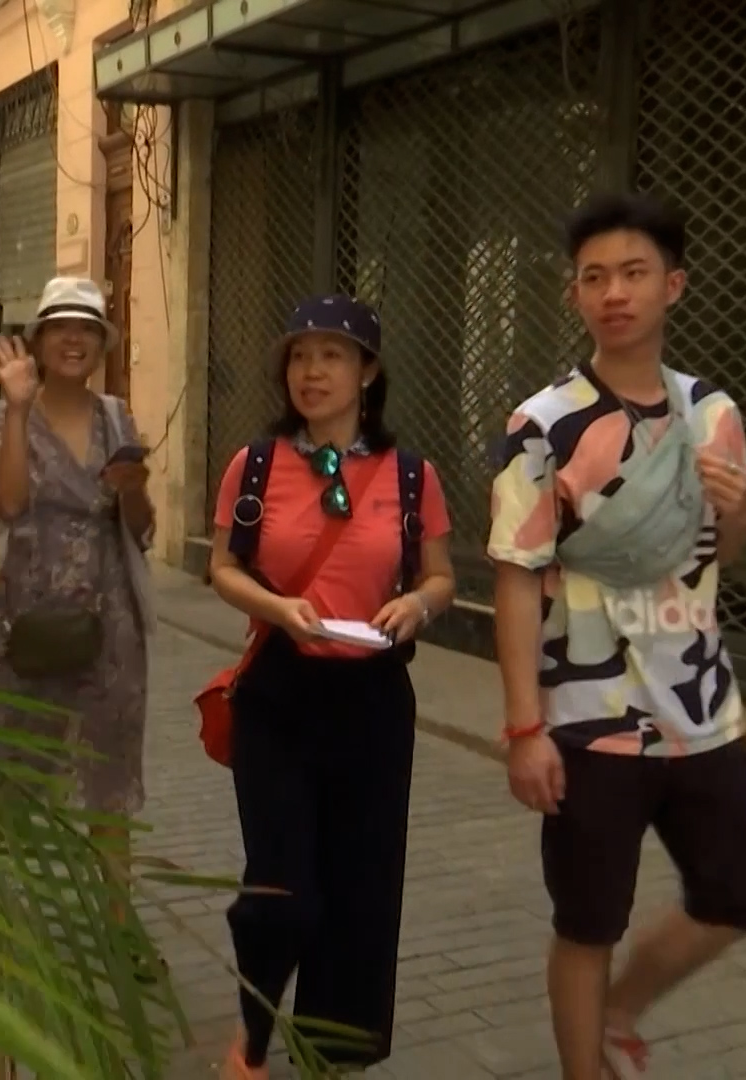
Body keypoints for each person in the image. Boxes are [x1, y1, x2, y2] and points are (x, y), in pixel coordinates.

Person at [487, 193, 746, 1079]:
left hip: (699, 706)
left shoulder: (712, 413)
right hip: (587, 714)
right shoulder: (542, 423)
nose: (614, 292)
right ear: (574, 295)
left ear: (673, 286)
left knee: (741, 893)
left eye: (635, 273)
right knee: (588, 919)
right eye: (595, 277)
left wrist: (741, 514)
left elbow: (718, 550)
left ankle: (622, 1010)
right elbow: (513, 575)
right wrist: (524, 727)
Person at [205, 295, 455, 1078]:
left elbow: (442, 576)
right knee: (283, 886)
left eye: (332, 355)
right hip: (280, 693)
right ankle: (252, 1032)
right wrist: (278, 608)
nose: (311, 371)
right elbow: (221, 567)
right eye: (300, 355)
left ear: (368, 372)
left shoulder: (412, 476)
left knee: (361, 889)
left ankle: (331, 1051)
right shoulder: (253, 465)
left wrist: (417, 604)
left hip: (374, 700)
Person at [0, 277, 152, 867]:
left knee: (108, 783)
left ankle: (119, 937)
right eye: (61, 327)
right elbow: (8, 505)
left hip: (110, 622)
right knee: (9, 769)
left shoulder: (116, 417)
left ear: (101, 344)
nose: (74, 339)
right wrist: (22, 410)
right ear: (40, 339)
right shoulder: (6, 416)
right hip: (32, 616)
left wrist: (134, 492)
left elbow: (142, 529)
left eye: (87, 329)